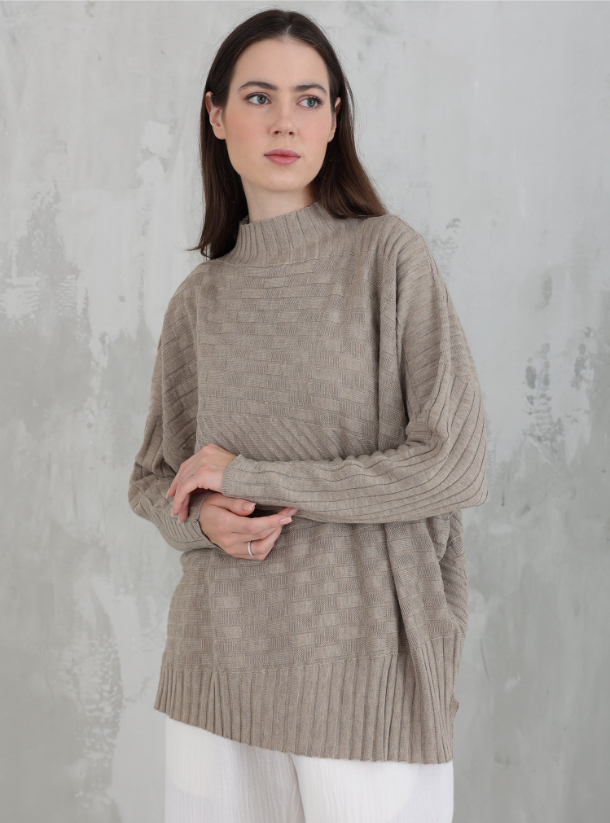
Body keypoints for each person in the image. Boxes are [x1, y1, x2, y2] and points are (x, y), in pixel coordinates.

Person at [128, 8, 490, 823]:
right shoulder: (201, 300)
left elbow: (454, 464)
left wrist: (253, 476)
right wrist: (203, 519)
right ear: (216, 115)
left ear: (335, 120)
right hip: (217, 669)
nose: (285, 121)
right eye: (259, 97)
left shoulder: (388, 258)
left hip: (364, 674)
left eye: (310, 99)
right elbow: (154, 480)